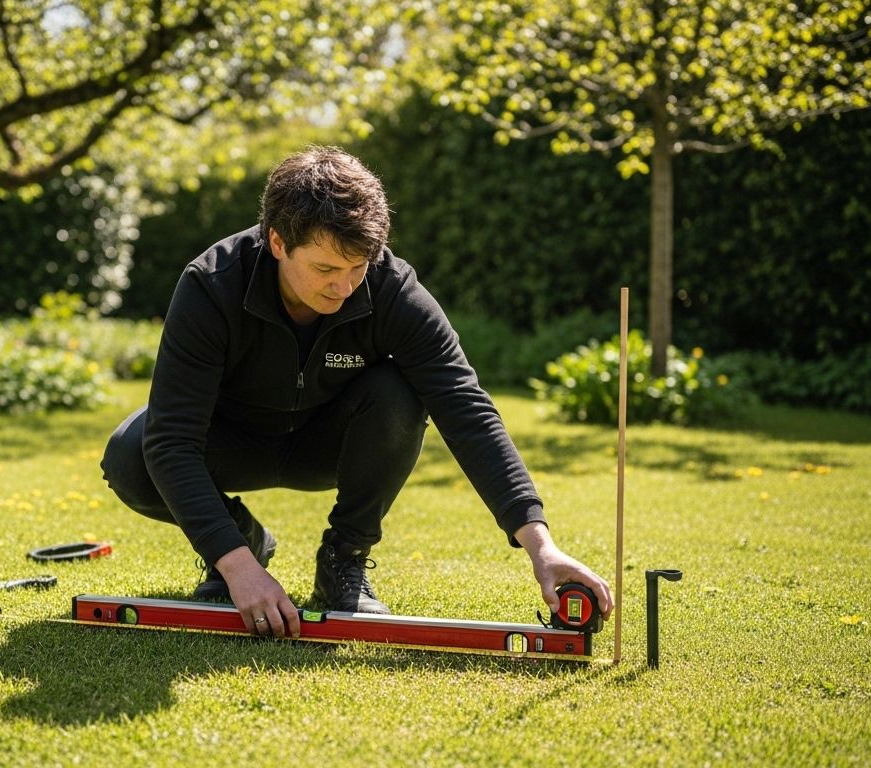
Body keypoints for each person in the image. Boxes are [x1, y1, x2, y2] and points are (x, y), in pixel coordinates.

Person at [101, 146, 613, 639]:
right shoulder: (211, 285)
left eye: (357, 267)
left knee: (400, 391)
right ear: (278, 242)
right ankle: (243, 540)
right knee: (133, 455)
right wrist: (234, 564)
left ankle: (342, 562)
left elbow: (467, 409)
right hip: (230, 442)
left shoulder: (393, 289)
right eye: (325, 268)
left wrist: (540, 545)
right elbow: (172, 440)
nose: (344, 287)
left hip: (329, 447)